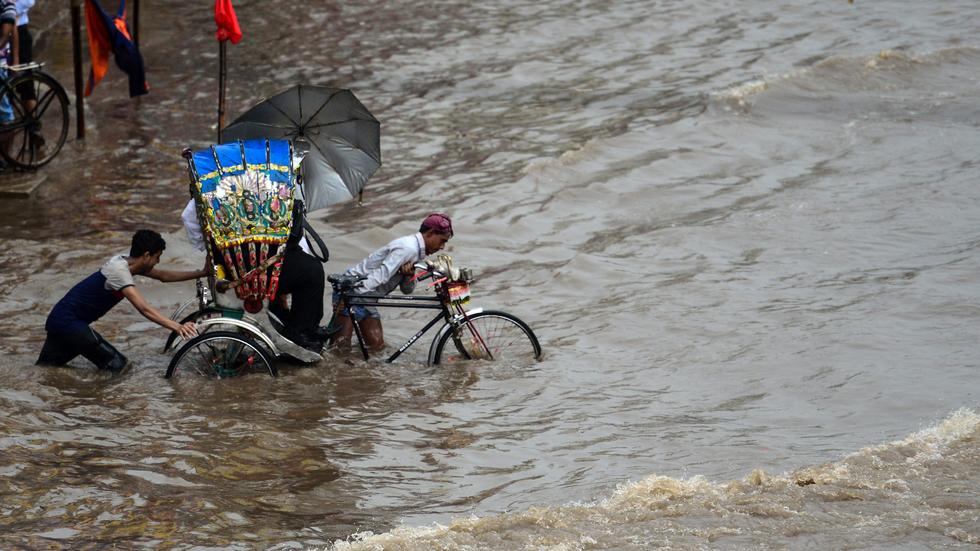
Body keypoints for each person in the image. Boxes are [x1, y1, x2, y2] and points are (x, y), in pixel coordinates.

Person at [37, 230, 206, 373]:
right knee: (120, 366)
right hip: (68, 322)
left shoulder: (126, 264)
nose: (157, 262)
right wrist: (177, 327)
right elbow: (144, 309)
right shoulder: (119, 271)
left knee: (47, 369)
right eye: (157, 257)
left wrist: (201, 273)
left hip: (62, 320)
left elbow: (163, 276)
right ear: (146, 255)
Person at [181, 197, 328, 351]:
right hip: (251, 266)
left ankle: (287, 321)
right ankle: (301, 333)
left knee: (302, 265)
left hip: (229, 261)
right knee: (312, 271)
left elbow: (188, 216)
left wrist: (207, 245)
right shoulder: (268, 183)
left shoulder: (212, 189)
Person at [330, 213, 454, 353]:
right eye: (442, 241)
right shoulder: (408, 248)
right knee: (339, 349)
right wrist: (347, 296)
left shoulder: (418, 252)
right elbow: (381, 275)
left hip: (366, 296)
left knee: (376, 348)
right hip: (354, 289)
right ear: (431, 233)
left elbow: (407, 290)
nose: (442, 246)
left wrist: (409, 274)